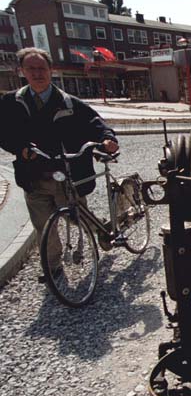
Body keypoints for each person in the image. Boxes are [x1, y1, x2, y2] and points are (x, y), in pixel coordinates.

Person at [0, 48, 119, 282]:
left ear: (50, 70)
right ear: (21, 71)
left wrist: (108, 138)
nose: (37, 73)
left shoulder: (68, 102)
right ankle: (52, 268)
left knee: (76, 216)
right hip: (32, 174)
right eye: (31, 69)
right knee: (43, 226)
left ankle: (102, 230)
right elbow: (3, 133)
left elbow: (94, 121)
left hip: (66, 173)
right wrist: (19, 148)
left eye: (41, 68)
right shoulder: (11, 103)